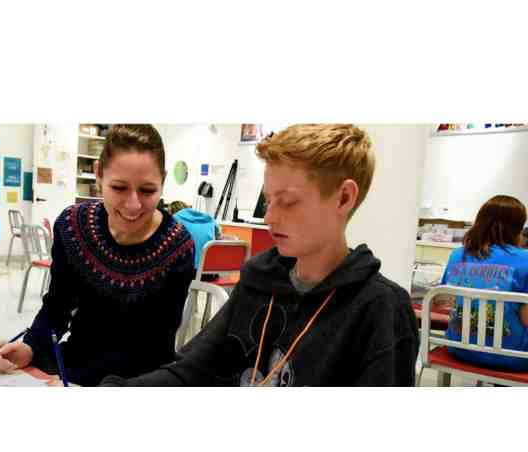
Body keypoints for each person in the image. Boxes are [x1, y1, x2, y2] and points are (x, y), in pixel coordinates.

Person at [101, 124, 420, 386]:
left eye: (288, 202)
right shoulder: (260, 280)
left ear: (344, 198)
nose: (269, 217)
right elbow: (191, 371)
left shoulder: (380, 311)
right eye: (269, 200)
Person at [0, 125, 196, 385]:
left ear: (163, 181)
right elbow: (57, 306)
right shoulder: (72, 226)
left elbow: (157, 344)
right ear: (98, 174)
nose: (133, 204)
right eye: (119, 187)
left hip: (140, 379)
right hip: (75, 362)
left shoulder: (176, 247)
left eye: (147, 191)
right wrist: (31, 347)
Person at [440, 195, 528, 371]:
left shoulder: (458, 255)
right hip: (513, 358)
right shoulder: (524, 260)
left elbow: (444, 300)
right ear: (518, 227)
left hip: (459, 348)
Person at [168, 200, 221, 270]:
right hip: (209, 269)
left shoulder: (173, 220)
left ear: (172, 212)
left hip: (186, 270)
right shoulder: (208, 218)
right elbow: (218, 239)